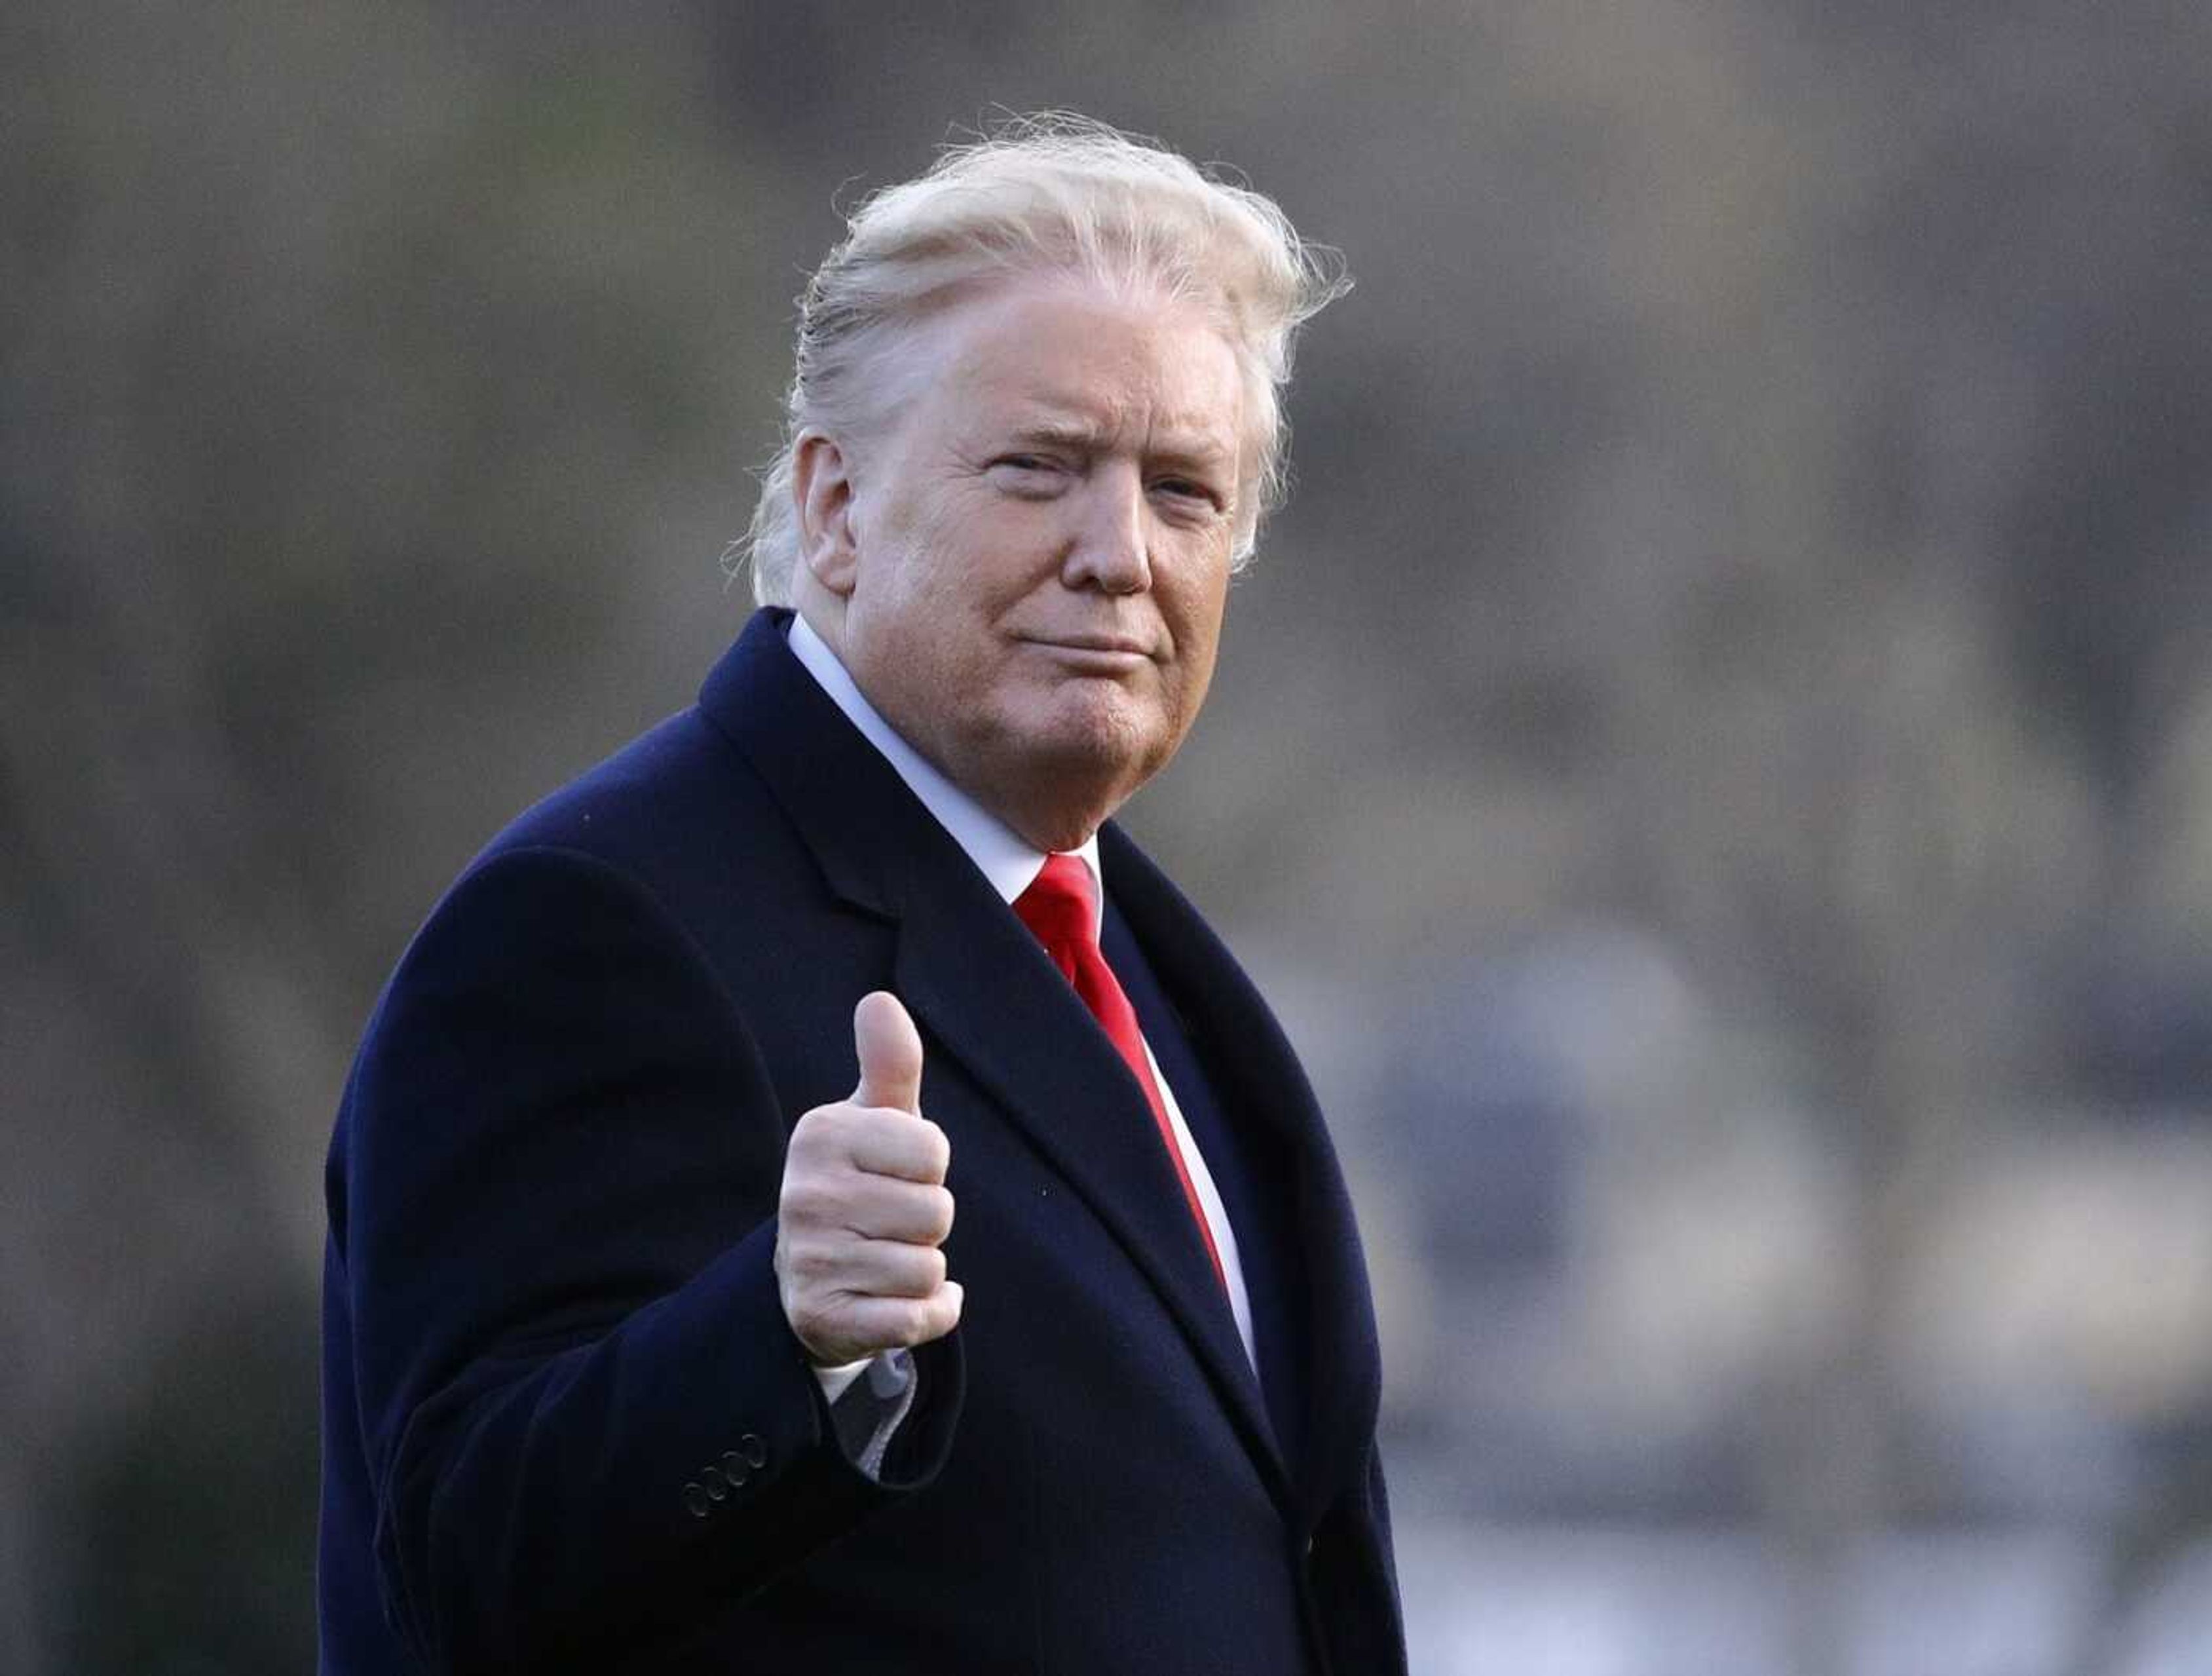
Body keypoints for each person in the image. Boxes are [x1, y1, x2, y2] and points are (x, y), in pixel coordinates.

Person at [318, 114, 1404, 1673]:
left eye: (1183, 491)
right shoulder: (592, 922)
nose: (1120, 553)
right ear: (832, 509)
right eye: (1041, 468)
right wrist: (787, 1344)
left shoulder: (1151, 959)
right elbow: (461, 1573)